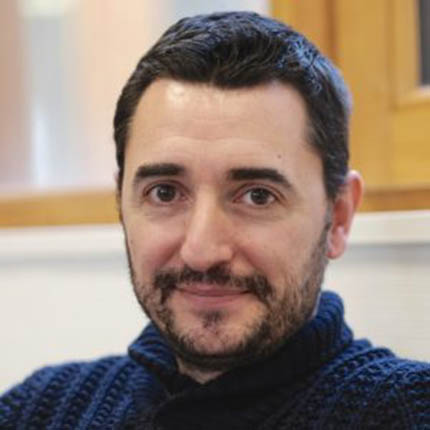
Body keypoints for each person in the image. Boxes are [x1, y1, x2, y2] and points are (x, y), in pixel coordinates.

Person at [1, 11, 429, 430]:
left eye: (258, 196)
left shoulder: (406, 410)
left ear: (338, 217)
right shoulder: (38, 408)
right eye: (165, 192)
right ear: (121, 204)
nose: (202, 251)